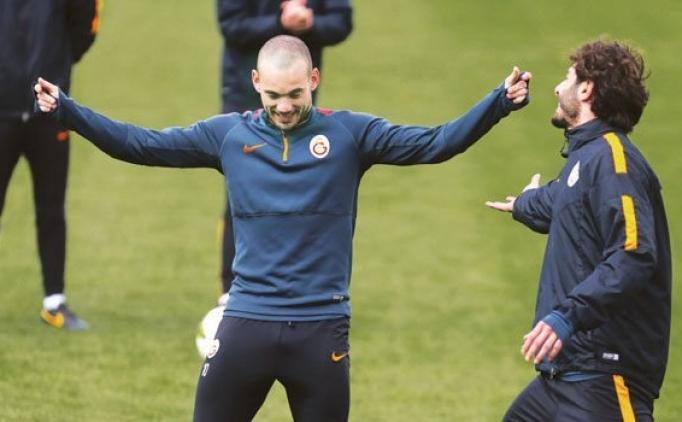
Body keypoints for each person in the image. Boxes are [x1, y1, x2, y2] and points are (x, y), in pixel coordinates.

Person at [36, 35, 531, 421]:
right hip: (245, 324)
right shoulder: (228, 135)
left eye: (295, 94)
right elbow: (142, 145)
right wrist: (69, 111)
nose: (285, 106)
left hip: (321, 330)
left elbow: (435, 143)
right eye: (274, 95)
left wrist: (499, 103)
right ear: (255, 81)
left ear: (314, 78)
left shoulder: (351, 134)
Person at [486, 40, 671, 421]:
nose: (558, 88)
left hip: (605, 378)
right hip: (565, 376)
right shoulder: (587, 157)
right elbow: (560, 201)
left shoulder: (614, 162)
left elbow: (633, 253)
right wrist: (523, 204)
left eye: (567, 79)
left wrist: (567, 316)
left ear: (587, 89)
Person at [216, 0, 353, 305]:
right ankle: (232, 291)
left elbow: (342, 22)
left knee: (297, 188)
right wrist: (282, 23)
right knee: (244, 193)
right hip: (244, 97)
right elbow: (231, 25)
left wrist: (311, 22)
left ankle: (295, 287)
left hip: (297, 106)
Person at [1, 0, 102, 331]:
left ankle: (54, 302)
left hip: (48, 108)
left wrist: (55, 62)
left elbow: (85, 25)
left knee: (51, 208)